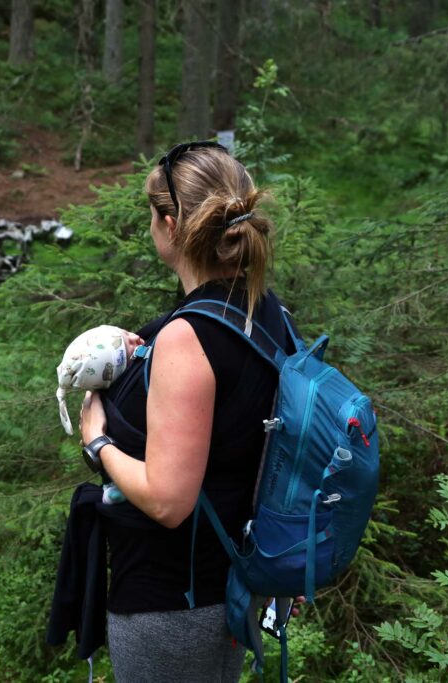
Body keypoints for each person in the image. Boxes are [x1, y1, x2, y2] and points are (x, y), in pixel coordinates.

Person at [73, 141, 299, 682]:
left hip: (173, 600)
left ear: (170, 226)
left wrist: (97, 441)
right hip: (229, 582)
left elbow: (168, 500)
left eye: (152, 215)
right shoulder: (263, 309)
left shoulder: (188, 337)